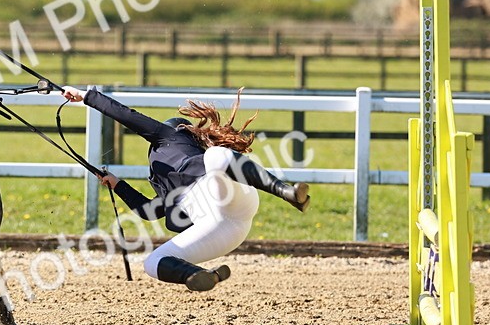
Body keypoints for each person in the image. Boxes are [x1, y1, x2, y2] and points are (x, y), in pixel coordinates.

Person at [62, 85, 309, 292]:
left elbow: (127, 115)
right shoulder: (161, 182)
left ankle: (287, 192)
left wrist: (86, 96)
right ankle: (201, 275)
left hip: (224, 197)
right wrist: (117, 185)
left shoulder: (170, 135)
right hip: (219, 228)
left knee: (217, 156)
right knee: (152, 262)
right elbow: (149, 211)